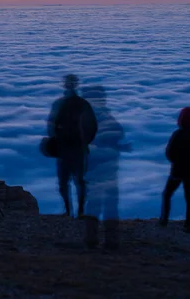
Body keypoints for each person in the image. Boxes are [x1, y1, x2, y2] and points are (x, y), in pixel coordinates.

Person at [81, 85, 129, 250]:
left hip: (93, 170)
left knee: (93, 205)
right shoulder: (107, 118)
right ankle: (111, 241)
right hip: (108, 171)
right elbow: (118, 134)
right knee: (110, 206)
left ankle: (91, 240)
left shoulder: (85, 120)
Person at [47, 74, 98, 217]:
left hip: (67, 149)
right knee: (77, 181)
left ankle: (70, 211)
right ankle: (78, 211)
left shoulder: (61, 104)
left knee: (68, 182)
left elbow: (51, 125)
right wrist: (84, 142)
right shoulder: (82, 104)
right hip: (75, 149)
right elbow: (93, 127)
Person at [159, 107, 190, 228]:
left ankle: (164, 220)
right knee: (189, 196)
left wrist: (176, 162)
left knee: (167, 194)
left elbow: (169, 153)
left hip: (178, 171)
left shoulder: (178, 134)